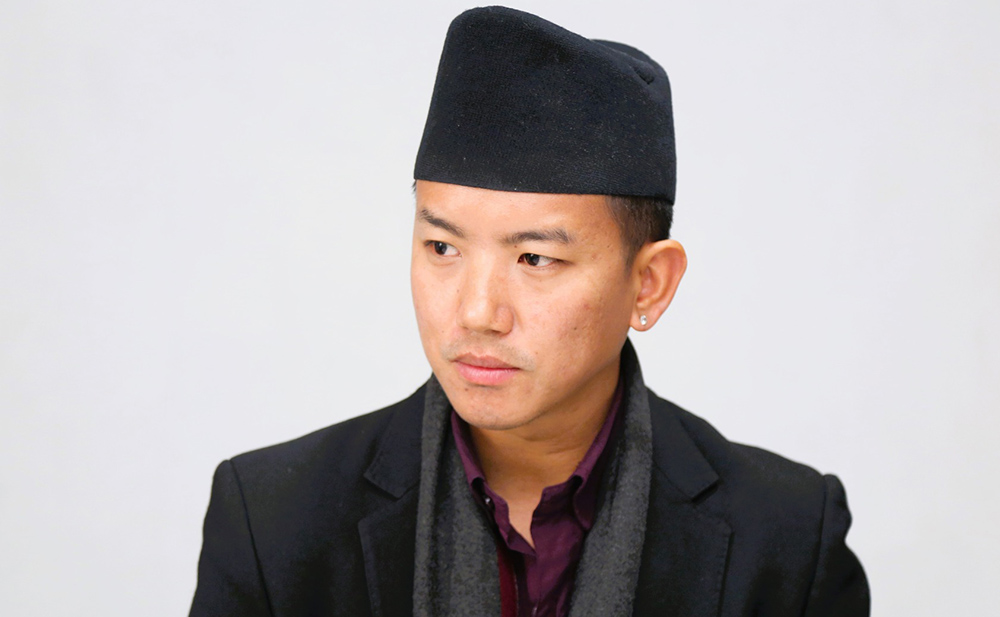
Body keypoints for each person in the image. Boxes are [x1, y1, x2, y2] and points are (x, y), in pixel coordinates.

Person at [189, 6, 869, 616]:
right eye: (442, 247)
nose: (477, 311)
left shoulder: (785, 539)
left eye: (535, 258)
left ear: (649, 284)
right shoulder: (274, 522)